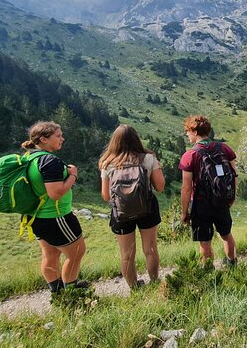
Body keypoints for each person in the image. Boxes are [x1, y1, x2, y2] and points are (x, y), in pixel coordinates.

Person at [22, 121, 86, 293]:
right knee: (77, 252)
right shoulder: (49, 161)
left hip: (37, 216)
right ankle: (71, 294)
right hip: (57, 216)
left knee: (50, 254)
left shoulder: (29, 157)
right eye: (58, 136)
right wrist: (73, 175)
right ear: (43, 139)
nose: (62, 139)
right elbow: (56, 193)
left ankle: (57, 293)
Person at [99, 125, 165, 289]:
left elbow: (106, 196)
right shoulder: (148, 158)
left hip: (121, 213)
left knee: (127, 255)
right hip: (147, 209)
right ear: (136, 139)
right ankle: (155, 283)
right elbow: (160, 187)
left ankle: (134, 288)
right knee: (150, 249)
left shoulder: (107, 163)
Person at [179, 115, 237, 264]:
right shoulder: (224, 148)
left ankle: (208, 272)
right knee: (226, 234)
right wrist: (231, 197)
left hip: (201, 203)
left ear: (195, 132)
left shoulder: (190, 155)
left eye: (188, 131)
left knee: (204, 241)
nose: (187, 134)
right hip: (221, 199)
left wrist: (185, 212)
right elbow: (233, 174)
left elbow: (186, 188)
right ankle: (232, 264)